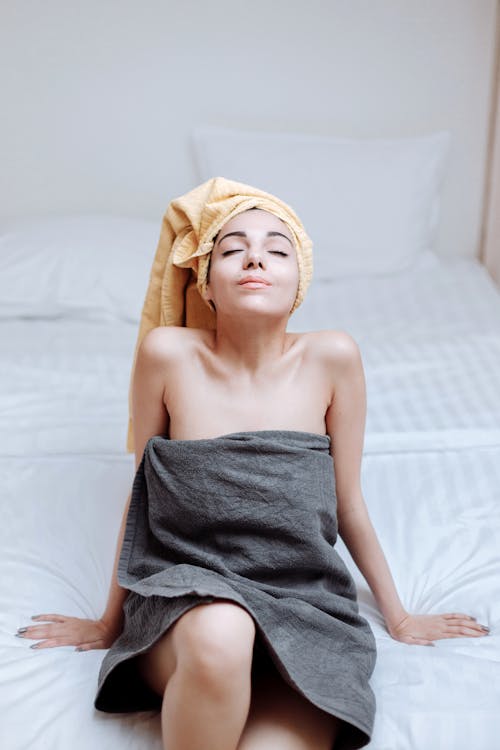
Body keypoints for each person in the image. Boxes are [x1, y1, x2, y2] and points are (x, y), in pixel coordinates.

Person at [16, 186, 489, 750]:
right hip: (188, 600)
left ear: (299, 283)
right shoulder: (167, 354)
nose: (256, 258)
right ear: (207, 282)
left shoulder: (332, 356)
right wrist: (106, 621)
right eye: (233, 248)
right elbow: (141, 488)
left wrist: (401, 616)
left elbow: (348, 501)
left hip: (304, 603)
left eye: (278, 250)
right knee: (223, 629)